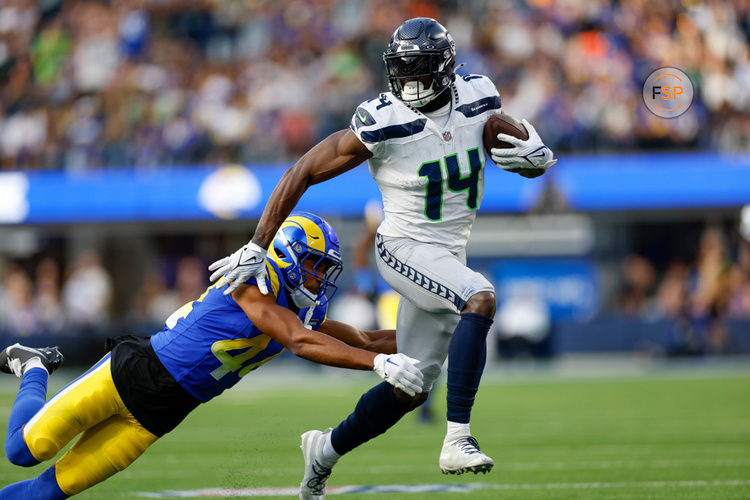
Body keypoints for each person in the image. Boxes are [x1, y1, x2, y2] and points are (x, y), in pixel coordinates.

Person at [207, 17, 557, 496]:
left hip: (448, 250)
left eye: (420, 69)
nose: (410, 80)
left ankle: (324, 450)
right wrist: (257, 244)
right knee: (480, 296)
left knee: (410, 387)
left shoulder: (478, 96)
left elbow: (503, 146)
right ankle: (458, 438)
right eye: (403, 69)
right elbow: (303, 169)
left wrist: (533, 157)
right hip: (402, 246)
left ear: (446, 68)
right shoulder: (385, 118)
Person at [0, 212, 422, 500]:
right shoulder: (250, 279)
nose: (318, 277)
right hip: (132, 374)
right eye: (314, 264)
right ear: (289, 253)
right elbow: (298, 340)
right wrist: (377, 366)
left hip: (159, 417)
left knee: (47, 492)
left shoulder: (298, 309)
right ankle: (34, 364)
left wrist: (433, 336)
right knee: (23, 449)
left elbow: (365, 339)